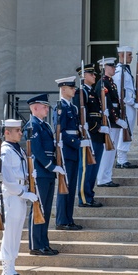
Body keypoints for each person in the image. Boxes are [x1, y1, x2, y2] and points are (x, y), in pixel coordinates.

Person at [0, 119, 38, 275]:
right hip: (12, 195)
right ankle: (6, 271)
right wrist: (23, 192)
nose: (21, 133)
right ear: (7, 132)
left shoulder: (18, 150)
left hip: (21, 194)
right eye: (17, 130)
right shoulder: (6, 151)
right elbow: (6, 179)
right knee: (10, 233)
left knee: (15, 233)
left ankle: (11, 268)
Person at [27, 93, 64, 256]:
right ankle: (36, 245)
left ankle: (44, 242)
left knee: (46, 209)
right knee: (38, 208)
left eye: (47, 106)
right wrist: (51, 166)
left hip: (48, 173)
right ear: (35, 108)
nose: (47, 109)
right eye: (44, 106)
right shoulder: (33, 125)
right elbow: (37, 150)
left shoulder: (45, 125)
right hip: (41, 172)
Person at [54, 76, 83, 230]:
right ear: (63, 89)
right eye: (71, 88)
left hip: (73, 150)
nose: (74, 90)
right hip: (66, 151)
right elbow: (60, 132)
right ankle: (61, 220)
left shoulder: (72, 107)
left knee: (71, 187)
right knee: (64, 187)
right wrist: (77, 142)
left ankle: (68, 219)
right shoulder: (60, 108)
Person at [77, 63, 104, 208]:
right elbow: (81, 116)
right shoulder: (81, 93)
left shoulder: (92, 92)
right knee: (86, 169)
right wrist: (95, 127)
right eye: (91, 74)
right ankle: (84, 198)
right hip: (89, 135)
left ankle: (90, 195)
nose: (95, 76)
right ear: (84, 76)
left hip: (97, 135)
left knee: (94, 169)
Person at [95, 57, 122, 188]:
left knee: (112, 152)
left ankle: (107, 176)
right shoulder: (102, 83)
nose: (114, 68)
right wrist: (115, 118)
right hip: (110, 121)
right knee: (108, 151)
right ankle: (102, 178)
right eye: (111, 66)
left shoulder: (111, 83)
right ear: (105, 68)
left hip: (114, 121)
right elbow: (108, 103)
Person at [115, 46, 138, 169]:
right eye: (129, 55)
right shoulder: (119, 72)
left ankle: (123, 158)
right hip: (125, 106)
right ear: (122, 55)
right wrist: (131, 101)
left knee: (128, 131)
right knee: (124, 132)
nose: (131, 57)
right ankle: (121, 159)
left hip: (129, 105)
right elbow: (119, 92)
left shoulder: (126, 71)